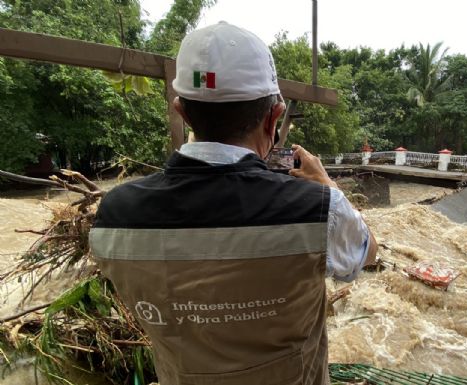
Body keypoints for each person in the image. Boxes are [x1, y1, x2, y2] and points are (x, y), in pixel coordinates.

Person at [89, 21, 377, 385]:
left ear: (181, 110)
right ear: (274, 118)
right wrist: (326, 184)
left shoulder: (114, 216)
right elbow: (367, 253)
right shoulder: (318, 209)